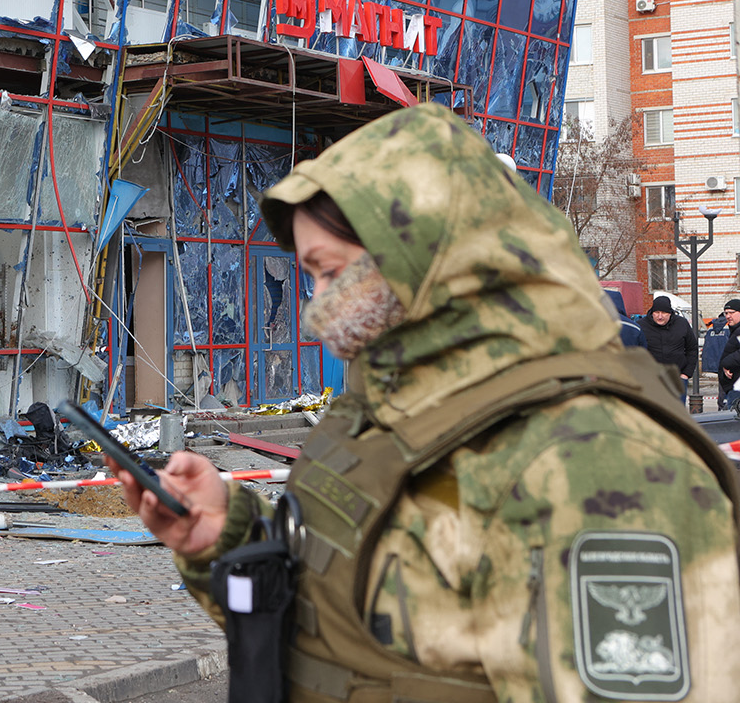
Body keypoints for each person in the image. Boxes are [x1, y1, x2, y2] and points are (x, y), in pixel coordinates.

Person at [108, 104, 740, 702]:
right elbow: (344, 634)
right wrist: (224, 536)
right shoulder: (387, 418)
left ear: (422, 260)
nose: (313, 309)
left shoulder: (594, 462)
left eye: (329, 272)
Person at [640, 295, 698, 404]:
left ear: (670, 313)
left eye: (664, 313)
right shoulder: (642, 326)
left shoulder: (682, 324)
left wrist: (686, 374)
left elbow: (692, 349)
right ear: (652, 312)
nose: (660, 316)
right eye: (657, 313)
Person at [717, 300, 740, 411]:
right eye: (726, 313)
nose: (728, 316)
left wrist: (726, 363)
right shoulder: (735, 330)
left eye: (732, 312)